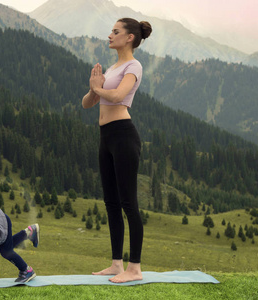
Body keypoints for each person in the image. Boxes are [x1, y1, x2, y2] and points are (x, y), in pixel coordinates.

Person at [81, 18, 152, 283]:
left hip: (123, 135)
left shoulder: (134, 66)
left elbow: (119, 95)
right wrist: (93, 88)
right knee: (111, 203)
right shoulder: (112, 68)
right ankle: (116, 264)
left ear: (130, 37)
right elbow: (89, 103)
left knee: (128, 203)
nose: (110, 35)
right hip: (106, 137)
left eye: (116, 31)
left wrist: (100, 88)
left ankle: (134, 268)